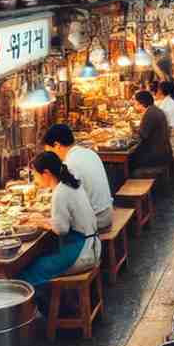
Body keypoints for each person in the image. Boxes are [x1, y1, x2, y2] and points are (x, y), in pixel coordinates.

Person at [16, 152, 102, 290]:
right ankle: (49, 304)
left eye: (35, 175)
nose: (35, 180)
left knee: (26, 275)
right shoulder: (71, 184)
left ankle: (39, 309)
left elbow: (61, 229)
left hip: (81, 252)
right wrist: (44, 219)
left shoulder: (60, 192)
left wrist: (40, 222)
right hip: (93, 246)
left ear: (46, 173)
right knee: (41, 257)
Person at [42, 124, 113, 231]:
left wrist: (43, 221)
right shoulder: (89, 153)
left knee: (57, 227)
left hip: (97, 220)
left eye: (49, 151)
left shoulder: (69, 165)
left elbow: (65, 209)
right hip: (107, 212)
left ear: (57, 145)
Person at [131, 90, 172, 170]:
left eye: (135, 103)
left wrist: (133, 131)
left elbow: (142, 135)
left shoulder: (150, 114)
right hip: (163, 151)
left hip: (156, 155)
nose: (134, 106)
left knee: (132, 160)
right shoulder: (154, 110)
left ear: (141, 104)